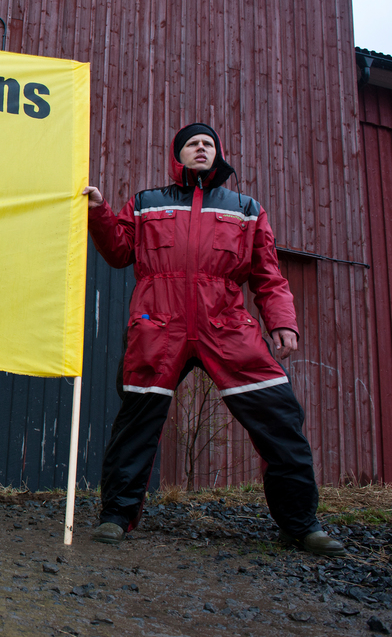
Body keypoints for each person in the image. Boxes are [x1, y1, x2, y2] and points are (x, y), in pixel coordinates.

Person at [82, 123, 342, 557]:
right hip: (158, 325)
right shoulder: (147, 204)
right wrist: (100, 210)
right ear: (177, 156)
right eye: (191, 144)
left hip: (227, 325)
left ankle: (301, 525)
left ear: (217, 154)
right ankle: (116, 516)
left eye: (208, 144)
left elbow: (268, 275)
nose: (201, 148)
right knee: (136, 424)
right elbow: (118, 252)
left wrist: (283, 322)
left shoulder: (245, 209)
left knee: (279, 416)